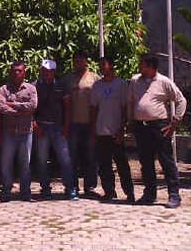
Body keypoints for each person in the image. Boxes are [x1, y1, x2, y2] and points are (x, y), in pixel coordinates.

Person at [127, 55, 188, 208]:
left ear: (151, 67)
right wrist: (130, 120)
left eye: (143, 65)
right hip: (141, 126)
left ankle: (174, 195)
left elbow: (181, 100)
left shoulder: (164, 82)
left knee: (166, 160)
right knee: (145, 161)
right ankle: (149, 194)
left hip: (159, 126)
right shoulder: (135, 81)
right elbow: (131, 101)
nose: (140, 68)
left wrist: (175, 122)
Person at [90, 56, 134, 203]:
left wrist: (122, 128)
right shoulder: (97, 86)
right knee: (104, 165)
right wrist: (93, 129)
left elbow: (124, 108)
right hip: (101, 130)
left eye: (104, 64)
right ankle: (109, 191)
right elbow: (94, 108)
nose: (102, 68)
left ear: (111, 66)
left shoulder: (121, 84)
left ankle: (129, 192)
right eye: (100, 65)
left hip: (116, 131)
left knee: (122, 164)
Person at [33, 59, 77, 200]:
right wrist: (35, 124)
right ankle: (45, 188)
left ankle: (70, 188)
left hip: (58, 128)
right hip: (41, 127)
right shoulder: (35, 86)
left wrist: (66, 126)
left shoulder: (61, 86)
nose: (47, 74)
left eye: (50, 71)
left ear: (54, 72)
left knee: (65, 159)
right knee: (42, 160)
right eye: (44, 71)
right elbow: (31, 107)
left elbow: (68, 107)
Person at [0, 61, 38, 202]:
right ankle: (6, 192)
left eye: (19, 71)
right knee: (6, 163)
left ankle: (25, 192)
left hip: (26, 132)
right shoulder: (3, 89)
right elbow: (1, 107)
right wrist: (21, 110)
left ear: (24, 72)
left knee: (25, 163)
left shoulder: (31, 89)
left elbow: (33, 105)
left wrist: (13, 105)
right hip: (9, 132)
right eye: (14, 71)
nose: (16, 73)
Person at [63, 52, 100, 196]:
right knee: (72, 157)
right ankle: (72, 186)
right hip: (73, 124)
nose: (78, 63)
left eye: (81, 61)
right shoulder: (67, 79)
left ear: (86, 62)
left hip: (90, 124)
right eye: (75, 61)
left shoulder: (95, 79)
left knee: (91, 156)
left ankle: (90, 187)